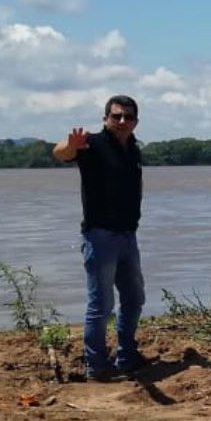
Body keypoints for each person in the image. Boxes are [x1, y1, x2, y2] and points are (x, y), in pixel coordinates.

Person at [53, 95, 145, 379]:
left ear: (135, 122)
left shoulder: (132, 147)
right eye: (116, 116)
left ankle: (126, 356)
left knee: (134, 298)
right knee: (101, 304)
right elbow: (60, 153)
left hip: (128, 236)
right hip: (100, 236)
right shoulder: (91, 143)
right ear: (105, 118)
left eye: (128, 117)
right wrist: (71, 146)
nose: (121, 122)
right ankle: (96, 365)